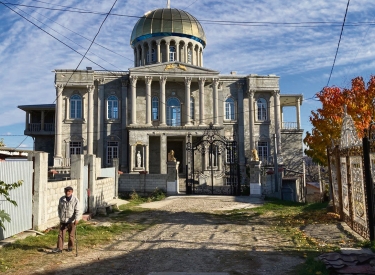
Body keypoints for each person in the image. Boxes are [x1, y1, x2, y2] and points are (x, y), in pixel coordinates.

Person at [52, 186, 80, 253]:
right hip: (63, 220)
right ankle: (59, 248)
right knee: (61, 234)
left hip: (71, 221)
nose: (67, 192)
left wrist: (76, 219)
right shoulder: (62, 199)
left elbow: (77, 211)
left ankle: (70, 247)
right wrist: (60, 216)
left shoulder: (75, 200)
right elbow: (59, 208)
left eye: (69, 191)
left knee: (71, 235)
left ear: (72, 192)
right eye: (66, 191)